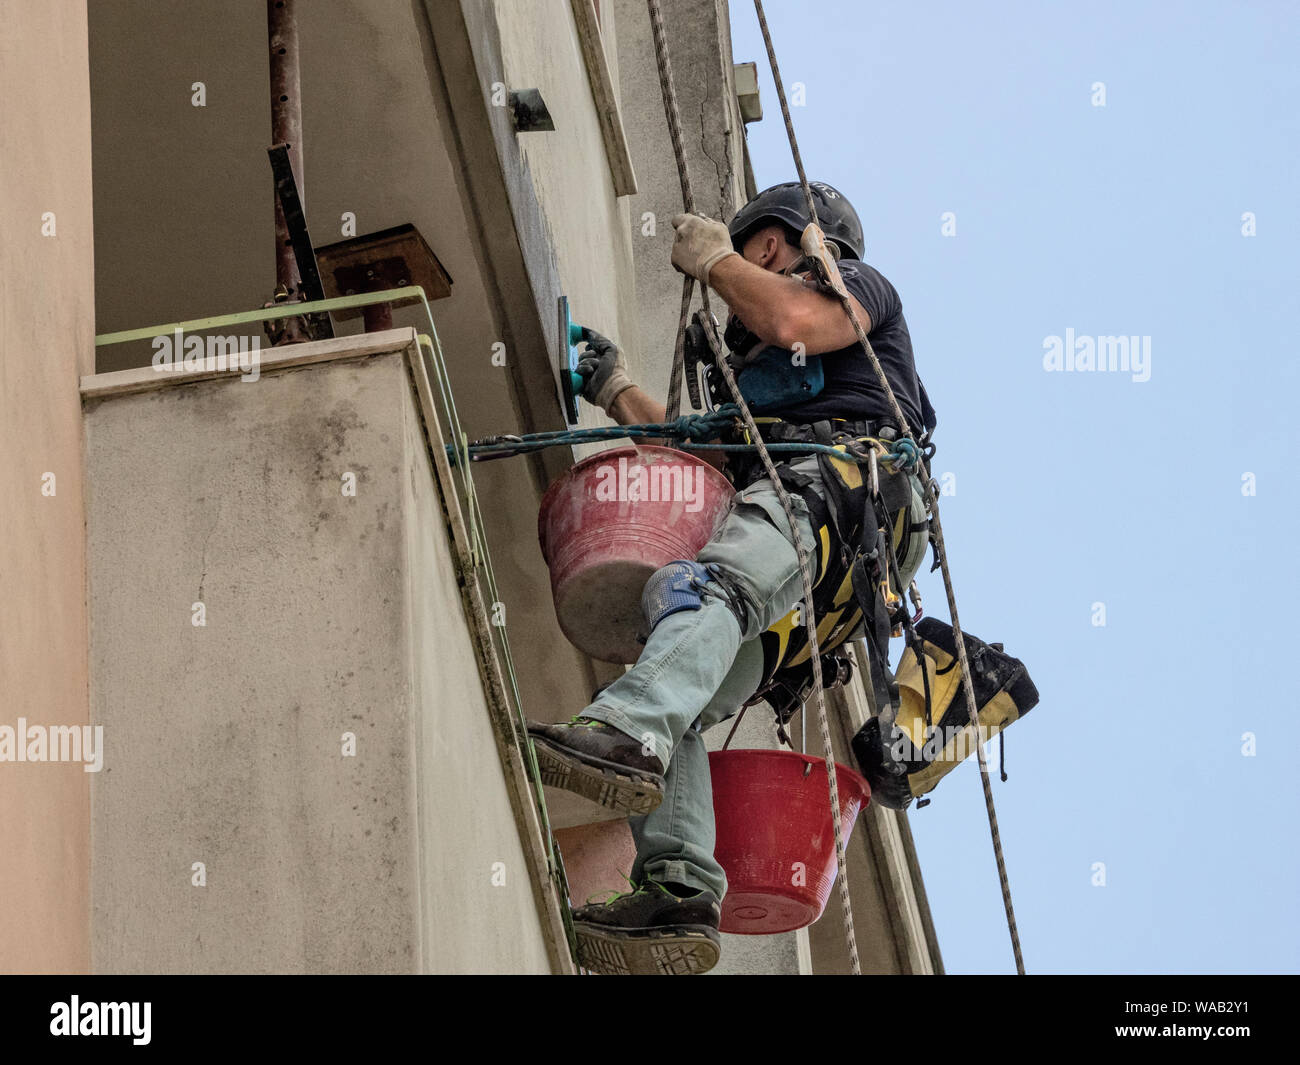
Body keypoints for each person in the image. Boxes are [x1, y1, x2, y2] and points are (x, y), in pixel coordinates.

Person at [527, 181, 935, 976]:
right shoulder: (758, 385)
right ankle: (677, 884)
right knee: (678, 658)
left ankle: (629, 730)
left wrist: (715, 257)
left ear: (773, 245)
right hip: (820, 576)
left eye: (751, 253)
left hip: (842, 491)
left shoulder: (855, 288)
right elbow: (707, 462)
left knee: (703, 595)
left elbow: (791, 317)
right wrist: (613, 387)